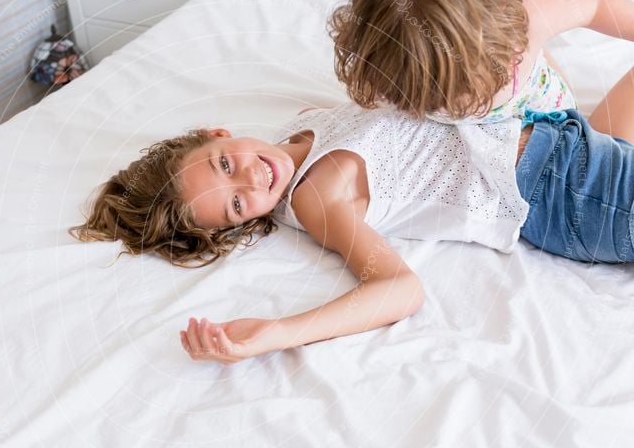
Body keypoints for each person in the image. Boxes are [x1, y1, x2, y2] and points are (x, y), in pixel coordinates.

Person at [70, 65, 634, 364]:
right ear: (242, 223)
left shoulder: (303, 126)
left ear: (218, 132)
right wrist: (277, 334)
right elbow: (399, 288)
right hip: (570, 190)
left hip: (559, 133)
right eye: (238, 203)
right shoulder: (316, 198)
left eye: (224, 162)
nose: (250, 177)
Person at [329, 0, 634, 128]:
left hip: (557, 124)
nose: (463, 107)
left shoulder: (529, 19)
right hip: (510, 148)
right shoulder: (390, 67)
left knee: (615, 155)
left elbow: (594, 5)